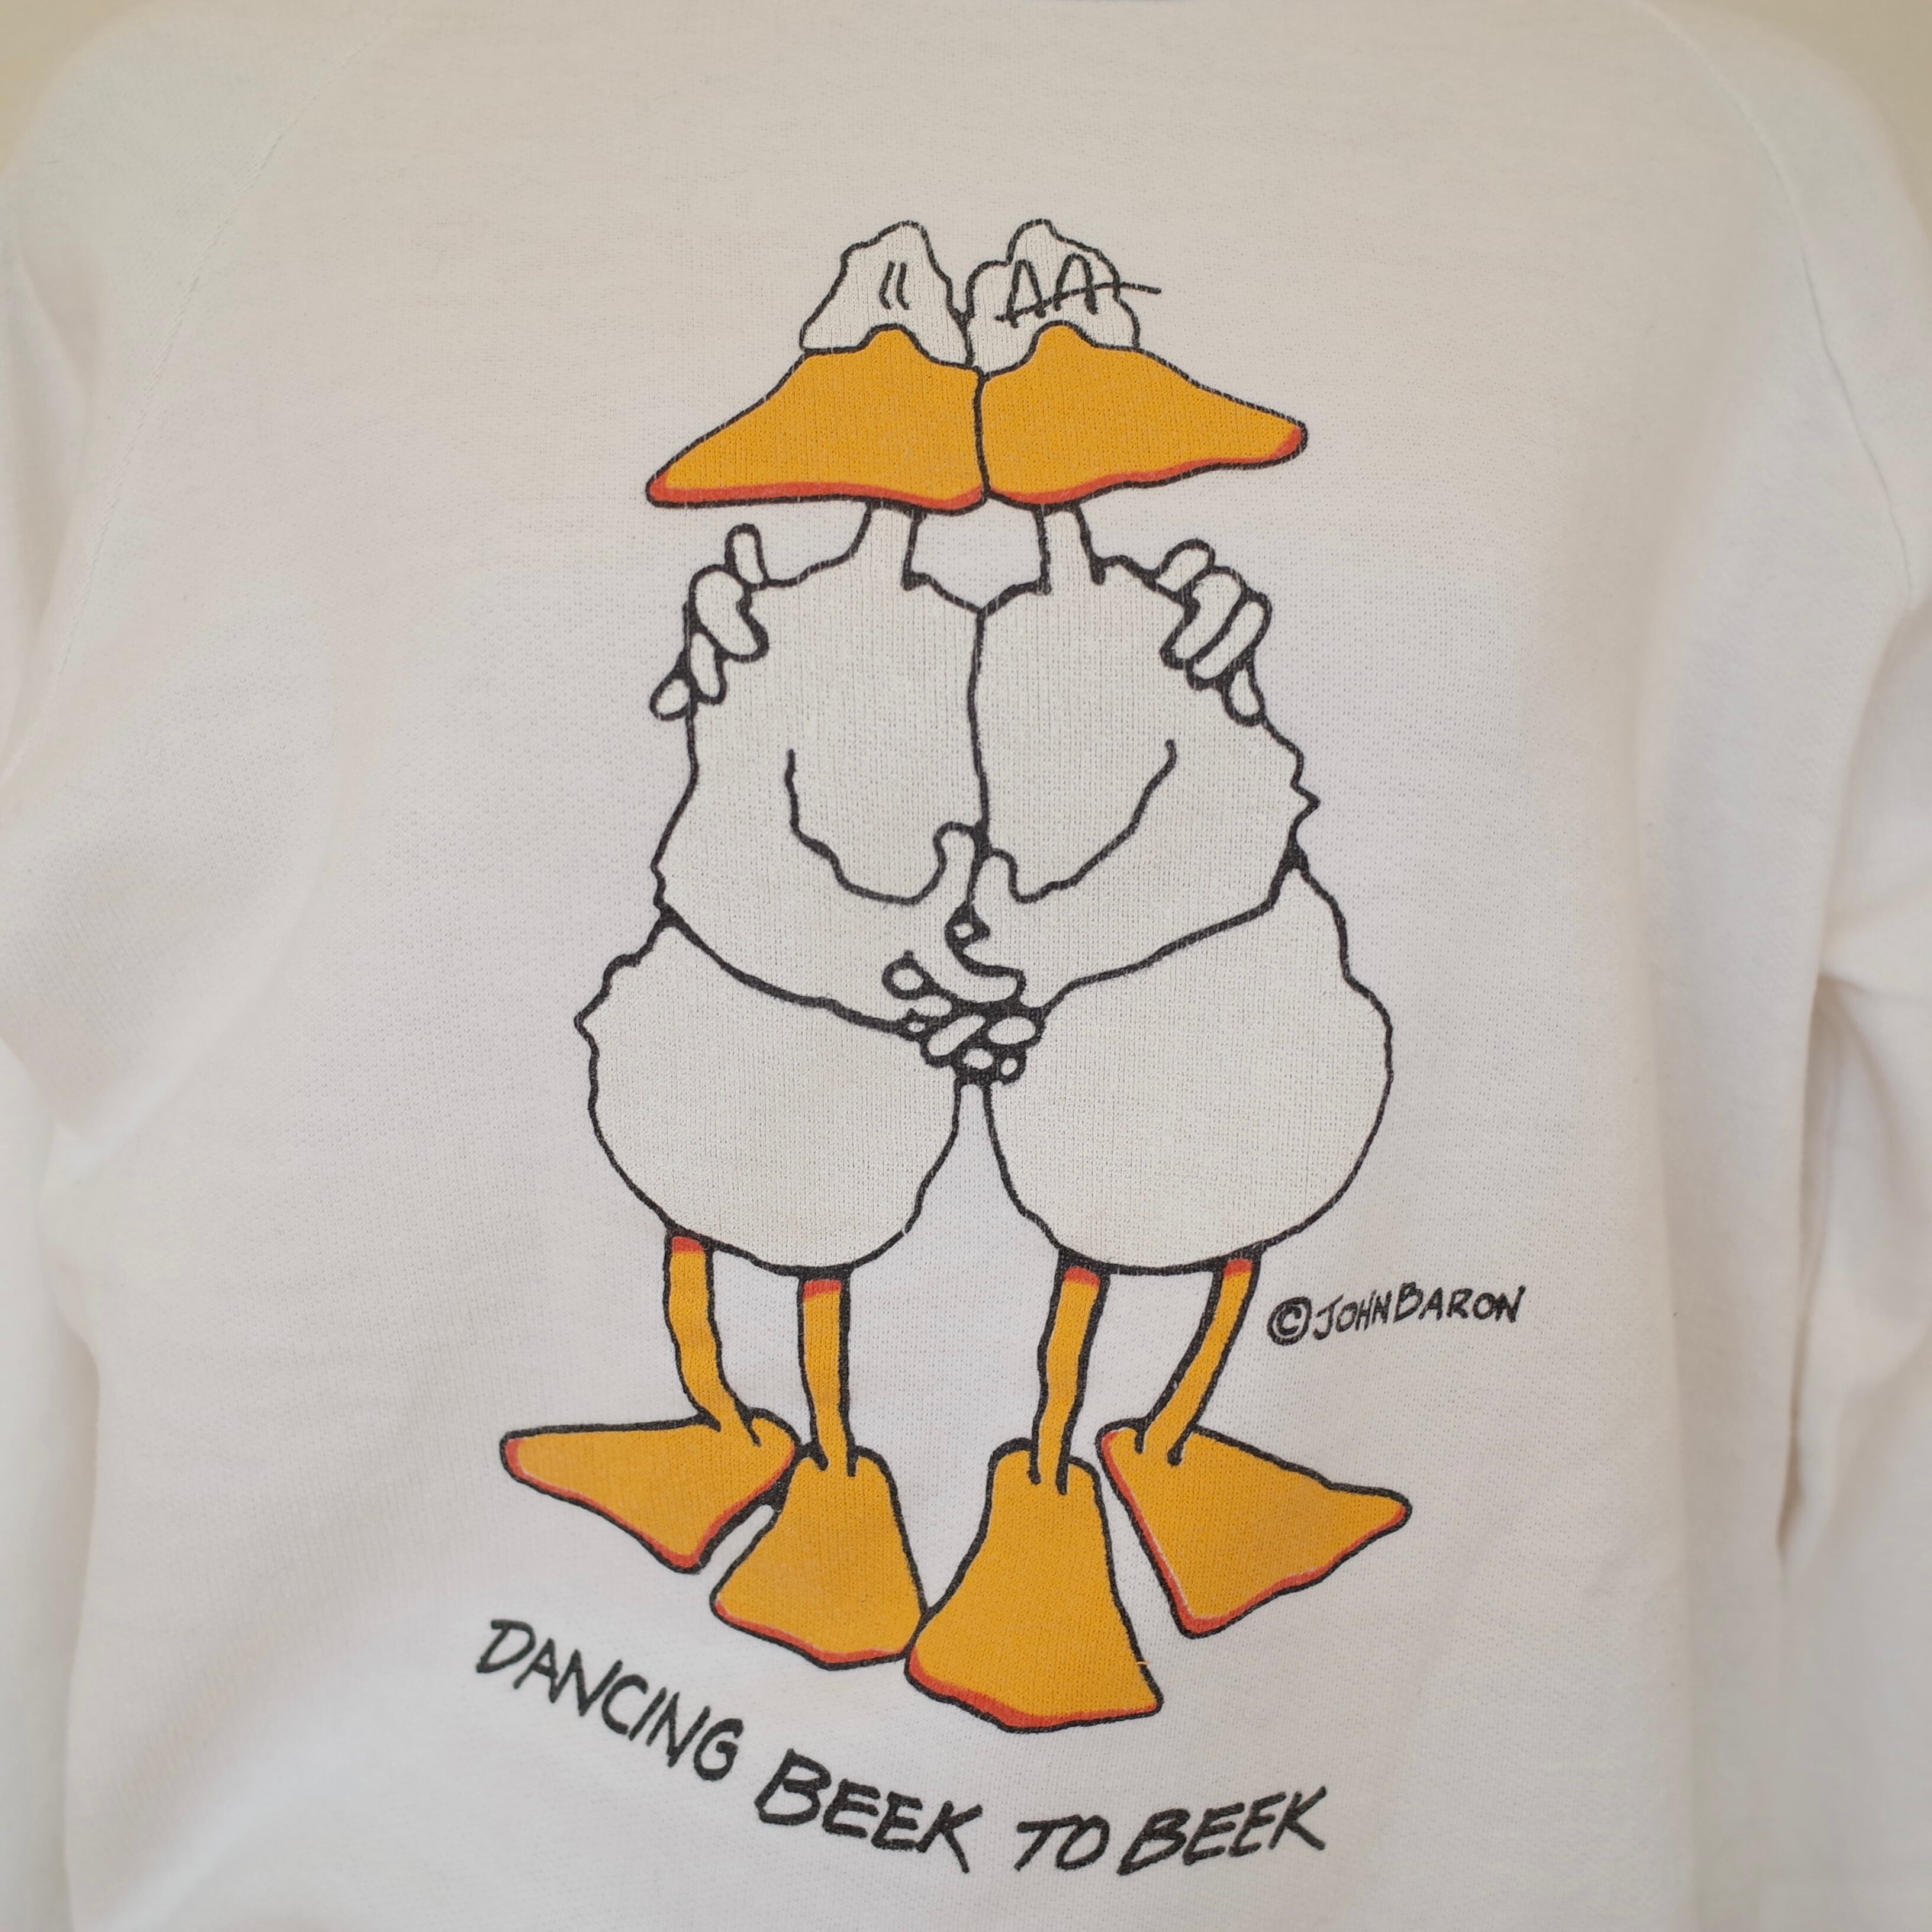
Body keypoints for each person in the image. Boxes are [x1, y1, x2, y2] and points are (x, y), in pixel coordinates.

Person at [2, 2, 1927, 1927]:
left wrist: (1019, 957)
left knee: (1148, 1186)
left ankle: (1104, 1475)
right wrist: (926, 957)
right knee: (793, 1195)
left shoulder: (1728, 183)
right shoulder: (193, 161)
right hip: (392, 1851)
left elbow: (1230, 822)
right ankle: (795, 1462)